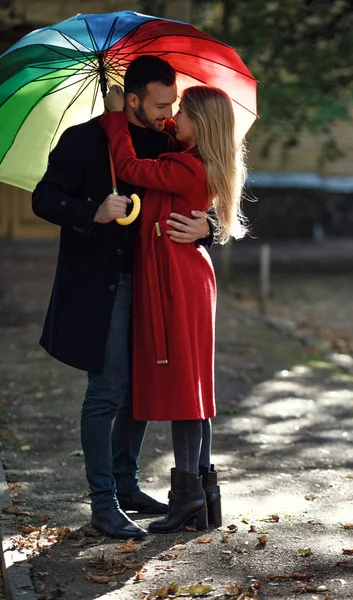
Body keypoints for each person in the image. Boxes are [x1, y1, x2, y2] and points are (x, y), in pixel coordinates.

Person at [31, 56, 212, 540]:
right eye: (158, 104)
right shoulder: (84, 139)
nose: (168, 112)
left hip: (156, 285)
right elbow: (43, 198)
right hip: (101, 285)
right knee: (107, 389)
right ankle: (103, 503)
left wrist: (209, 228)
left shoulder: (171, 140)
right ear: (131, 99)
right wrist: (94, 209)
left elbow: (206, 186)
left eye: (172, 103)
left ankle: (128, 485)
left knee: (140, 391)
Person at [100, 83, 247, 533]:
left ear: (198, 125)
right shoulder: (196, 160)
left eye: (180, 112)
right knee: (195, 387)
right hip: (189, 275)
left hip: (177, 282)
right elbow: (168, 135)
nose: (172, 118)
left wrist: (113, 118)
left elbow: (127, 165)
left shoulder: (184, 167)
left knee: (186, 390)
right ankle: (204, 494)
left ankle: (186, 500)